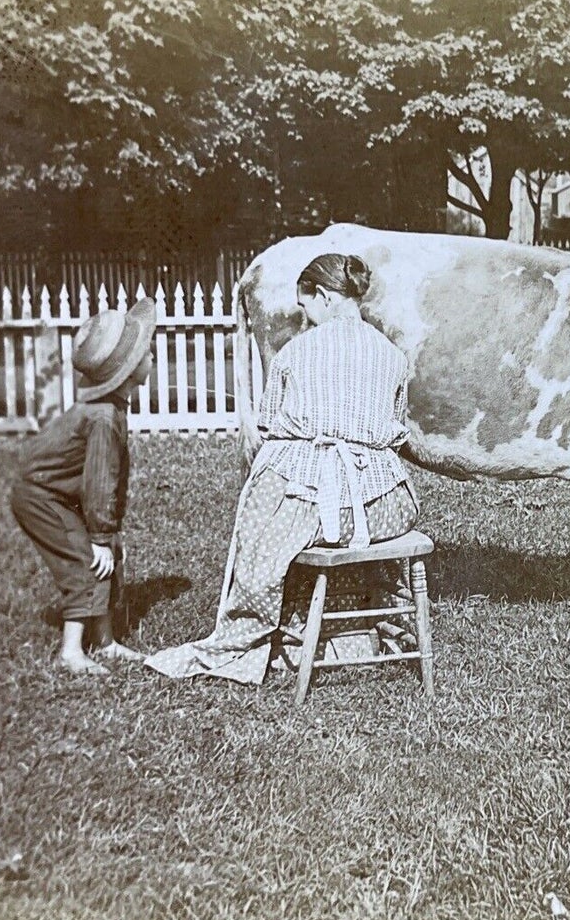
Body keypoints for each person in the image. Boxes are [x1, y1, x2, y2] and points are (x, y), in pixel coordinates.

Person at [147, 252, 418, 685]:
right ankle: (356, 628)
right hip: (382, 504)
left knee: (263, 530)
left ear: (326, 297)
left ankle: (262, 631)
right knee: (316, 509)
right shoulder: (392, 356)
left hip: (318, 504)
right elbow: (396, 428)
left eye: (306, 306)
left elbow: (272, 423)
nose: (304, 317)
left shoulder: (296, 353)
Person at [11, 298, 156, 676]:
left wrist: (109, 535)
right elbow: (99, 481)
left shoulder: (112, 408)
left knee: (107, 558)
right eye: (145, 353)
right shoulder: (104, 417)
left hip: (59, 491)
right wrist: (99, 536)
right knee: (84, 561)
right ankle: (71, 652)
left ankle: (104, 643)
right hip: (41, 496)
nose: (151, 356)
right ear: (127, 372)